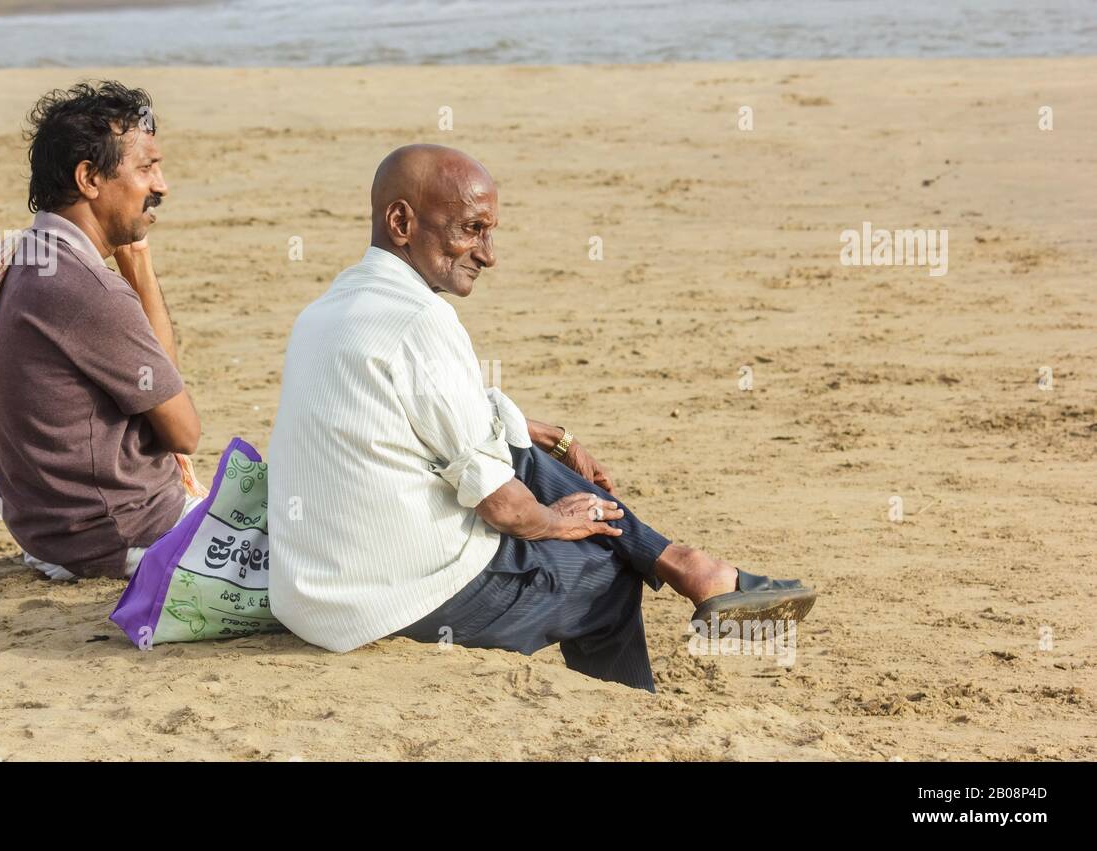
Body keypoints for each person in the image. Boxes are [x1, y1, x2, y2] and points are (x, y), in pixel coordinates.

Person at [266, 144, 815, 691]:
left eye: (490, 231)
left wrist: (526, 429)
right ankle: (633, 712)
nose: (488, 254)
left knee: (519, 450)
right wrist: (560, 523)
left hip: (308, 593)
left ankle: (688, 565)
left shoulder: (327, 310)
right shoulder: (419, 320)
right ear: (402, 221)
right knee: (606, 570)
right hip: (379, 602)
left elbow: (407, 414)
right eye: (472, 229)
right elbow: (505, 509)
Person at [0, 81, 201, 580]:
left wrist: (135, 258)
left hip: (50, 536)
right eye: (146, 167)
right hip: (123, 536)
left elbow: (157, 382)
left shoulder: (26, 258)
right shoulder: (90, 291)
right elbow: (184, 432)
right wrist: (131, 280)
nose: (162, 185)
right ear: (89, 178)